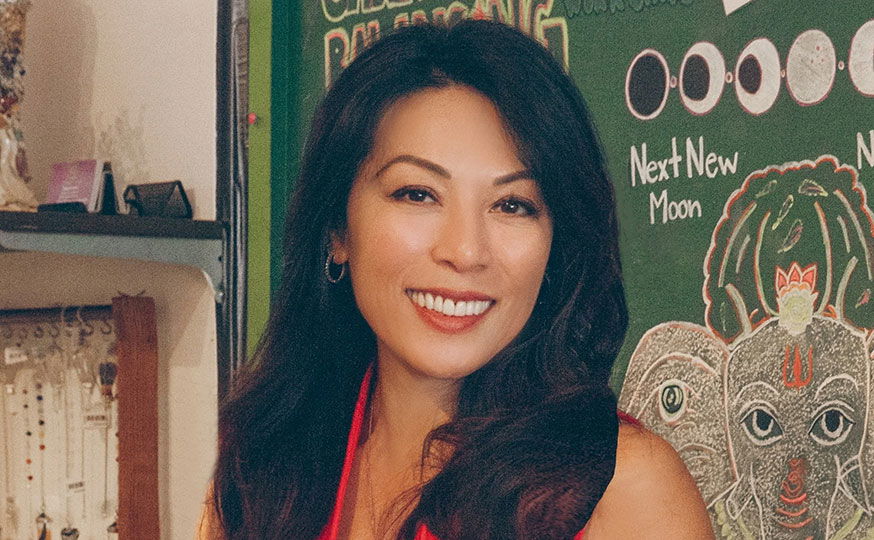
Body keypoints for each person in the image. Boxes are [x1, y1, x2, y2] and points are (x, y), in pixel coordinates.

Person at [197, 19, 713, 539]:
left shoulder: (621, 489)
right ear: (337, 228)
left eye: (513, 205)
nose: (465, 251)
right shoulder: (265, 465)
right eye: (417, 194)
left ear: (558, 243)